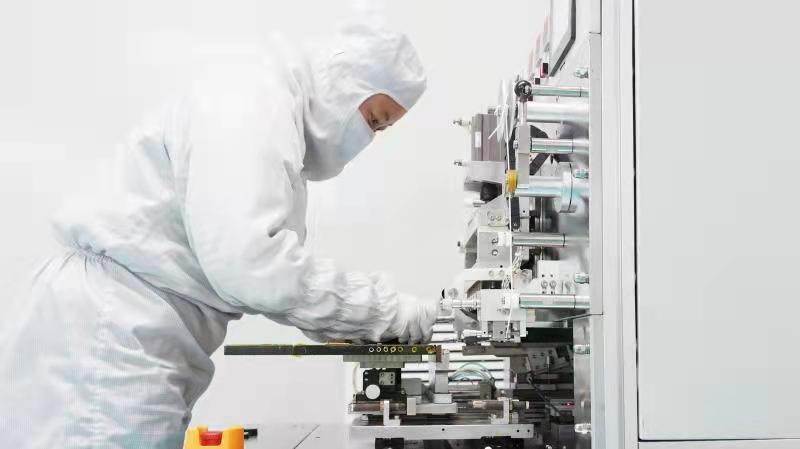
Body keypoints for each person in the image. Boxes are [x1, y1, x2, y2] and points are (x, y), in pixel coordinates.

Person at [0, 25, 437, 448]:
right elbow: (257, 266)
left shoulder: (272, 118)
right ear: (343, 81)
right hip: (110, 334)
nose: (368, 138)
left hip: (127, 330)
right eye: (374, 120)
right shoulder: (251, 100)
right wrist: (393, 314)